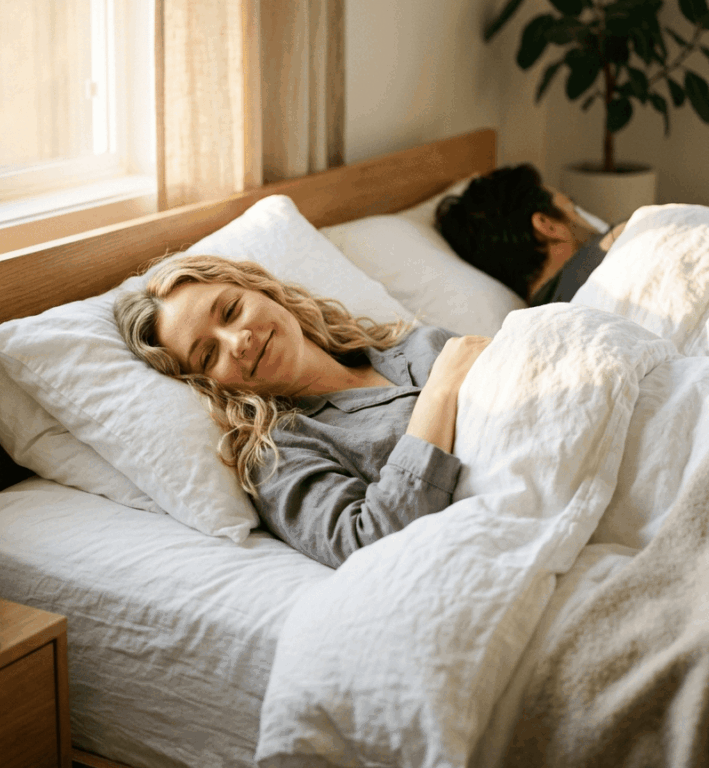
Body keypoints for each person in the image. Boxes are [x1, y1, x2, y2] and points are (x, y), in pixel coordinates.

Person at [114, 254, 489, 568]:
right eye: (209, 354)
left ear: (262, 289)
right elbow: (368, 545)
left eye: (231, 310)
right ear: (205, 385)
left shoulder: (422, 344)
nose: (237, 340)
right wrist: (438, 396)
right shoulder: (282, 455)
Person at [434, 165, 625, 304]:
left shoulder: (542, 319)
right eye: (572, 207)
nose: (588, 221)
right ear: (547, 226)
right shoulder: (615, 243)